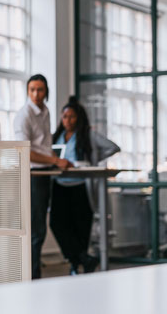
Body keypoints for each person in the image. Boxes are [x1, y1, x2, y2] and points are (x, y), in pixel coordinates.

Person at [49, 97, 119, 275]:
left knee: (81, 227)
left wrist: (93, 159)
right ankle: (83, 258)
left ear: (78, 118)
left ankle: (75, 265)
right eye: (65, 116)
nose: (68, 120)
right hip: (60, 186)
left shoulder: (88, 134)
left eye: (72, 117)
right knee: (57, 224)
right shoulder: (56, 136)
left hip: (80, 186)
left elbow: (113, 147)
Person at [12, 74, 71, 279]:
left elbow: (44, 147)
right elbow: (25, 151)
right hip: (33, 175)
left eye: (40, 90)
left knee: (40, 230)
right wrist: (55, 161)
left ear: (46, 92)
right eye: (32, 90)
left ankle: (34, 275)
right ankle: (32, 278)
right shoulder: (24, 115)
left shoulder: (44, 112)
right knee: (35, 231)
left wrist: (58, 160)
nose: (36, 94)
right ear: (27, 91)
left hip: (44, 174)